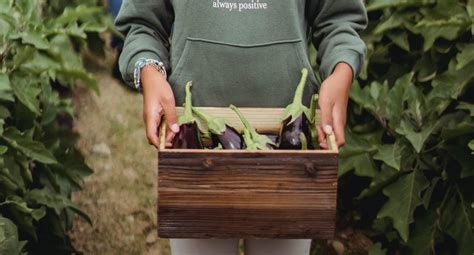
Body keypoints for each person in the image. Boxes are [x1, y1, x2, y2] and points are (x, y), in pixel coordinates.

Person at [115, 0, 367, 254]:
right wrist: (149, 71)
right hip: (195, 142)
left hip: (288, 145)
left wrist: (341, 69)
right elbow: (143, 24)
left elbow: (338, 19)